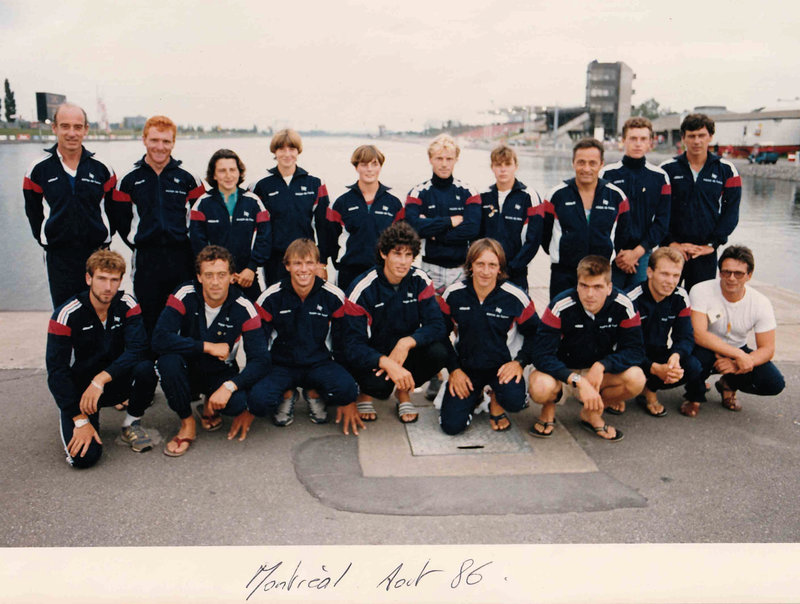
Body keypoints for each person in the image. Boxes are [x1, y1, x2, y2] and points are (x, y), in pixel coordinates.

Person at [152, 245, 270, 456]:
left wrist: (230, 386)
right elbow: (159, 339)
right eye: (209, 275)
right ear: (199, 277)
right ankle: (187, 422)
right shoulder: (184, 294)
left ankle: (211, 402)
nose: (215, 282)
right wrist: (205, 346)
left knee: (239, 403)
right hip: (188, 367)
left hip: (219, 371)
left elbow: (260, 360)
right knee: (167, 362)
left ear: (232, 277)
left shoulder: (244, 307)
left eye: (221, 275)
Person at [46, 250, 157, 468]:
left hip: (111, 380)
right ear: (89, 279)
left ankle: (131, 423)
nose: (108, 287)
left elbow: (137, 349)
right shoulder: (66, 314)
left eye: (114, 280)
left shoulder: (127, 303)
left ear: (120, 281)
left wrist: (101, 379)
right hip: (83, 393)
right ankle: (80, 419)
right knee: (84, 459)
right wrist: (79, 419)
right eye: (102, 279)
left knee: (146, 369)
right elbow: (56, 371)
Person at [248, 239, 362, 435]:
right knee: (257, 401)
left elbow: (343, 342)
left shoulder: (333, 296)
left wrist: (347, 396)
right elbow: (258, 345)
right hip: (282, 365)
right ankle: (287, 393)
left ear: (318, 265)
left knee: (348, 390)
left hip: (318, 364)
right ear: (287, 266)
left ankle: (313, 392)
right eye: (297, 263)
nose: (303, 269)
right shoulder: (270, 297)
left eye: (309, 263)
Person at [529, 255, 645, 442]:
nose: (590, 294)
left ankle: (591, 413)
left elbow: (635, 351)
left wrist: (602, 365)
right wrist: (577, 380)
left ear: (609, 287)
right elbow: (541, 354)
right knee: (540, 386)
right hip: (564, 373)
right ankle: (548, 406)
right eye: (584, 286)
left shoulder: (624, 306)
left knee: (637, 378)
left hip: (598, 374)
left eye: (597, 287)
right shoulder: (560, 304)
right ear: (577, 285)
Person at [342, 221, 448, 423]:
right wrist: (385, 362)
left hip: (403, 351)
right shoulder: (363, 288)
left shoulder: (420, 280)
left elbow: (437, 325)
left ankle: (403, 392)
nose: (403, 262)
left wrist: (406, 342)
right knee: (378, 387)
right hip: (374, 356)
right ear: (383, 253)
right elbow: (352, 345)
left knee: (439, 352)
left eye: (408, 255)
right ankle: (365, 393)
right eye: (397, 254)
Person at [404, 133, 481, 399]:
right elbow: (413, 226)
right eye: (439, 158)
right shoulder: (419, 191)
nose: (444, 163)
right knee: (433, 322)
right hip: (430, 267)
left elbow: (473, 227)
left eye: (449, 158)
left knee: (464, 322)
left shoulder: (468, 191)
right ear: (430, 159)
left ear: (456, 159)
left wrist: (434, 228)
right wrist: (452, 221)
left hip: (461, 268)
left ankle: (465, 373)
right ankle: (437, 374)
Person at [112, 115, 205, 335]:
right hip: (146, 259)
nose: (160, 147)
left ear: (173, 143)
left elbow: (200, 221)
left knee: (185, 316)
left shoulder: (189, 179)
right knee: (149, 317)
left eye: (166, 141)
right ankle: (152, 365)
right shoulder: (128, 180)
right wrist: (140, 240)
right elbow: (121, 222)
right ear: (144, 139)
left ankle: (181, 365)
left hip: (182, 258)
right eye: (154, 140)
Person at [438, 238, 539, 435]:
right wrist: (454, 370)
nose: (485, 271)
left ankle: (495, 399)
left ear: (500, 268)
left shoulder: (515, 297)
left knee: (515, 402)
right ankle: (474, 396)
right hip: (466, 370)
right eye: (480, 264)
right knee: (451, 427)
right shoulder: (453, 294)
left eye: (492, 265)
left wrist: (519, 362)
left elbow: (537, 334)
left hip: (502, 369)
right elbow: (440, 335)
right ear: (470, 266)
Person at [24, 103, 117, 308]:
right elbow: (33, 212)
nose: (72, 133)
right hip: (59, 257)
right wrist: (50, 238)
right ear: (54, 128)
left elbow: (115, 212)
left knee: (99, 314)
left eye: (77, 127)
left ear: (86, 129)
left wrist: (101, 236)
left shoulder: (102, 168)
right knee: (64, 315)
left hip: (97, 255)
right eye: (65, 126)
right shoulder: (39, 169)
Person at [684, 245, 784, 417]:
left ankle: (728, 384)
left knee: (774, 383)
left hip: (737, 348)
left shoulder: (760, 302)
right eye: (726, 272)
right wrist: (738, 355)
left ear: (749, 275)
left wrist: (741, 361)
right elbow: (698, 334)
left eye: (738, 273)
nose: (731, 278)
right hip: (707, 346)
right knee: (693, 363)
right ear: (719, 272)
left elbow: (768, 349)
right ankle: (694, 396)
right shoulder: (701, 290)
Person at [541, 138, 631, 301]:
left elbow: (622, 236)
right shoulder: (556, 195)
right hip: (564, 274)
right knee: (562, 321)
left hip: (601, 274)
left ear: (601, 164)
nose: (586, 168)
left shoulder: (616, 196)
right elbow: (545, 237)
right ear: (573, 163)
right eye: (581, 162)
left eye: (592, 163)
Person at [660, 113, 741, 292]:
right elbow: (658, 210)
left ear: (710, 137)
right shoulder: (667, 169)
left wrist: (711, 245)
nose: (697, 141)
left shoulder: (726, 170)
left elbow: (731, 212)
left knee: (699, 302)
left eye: (701, 135)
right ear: (683, 138)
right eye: (691, 136)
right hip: (671, 250)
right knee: (664, 299)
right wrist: (671, 243)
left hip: (704, 251)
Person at [626, 247, 703, 416]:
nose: (670, 281)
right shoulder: (631, 299)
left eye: (676, 275)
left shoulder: (680, 296)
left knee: (693, 366)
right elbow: (623, 346)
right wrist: (653, 368)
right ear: (650, 272)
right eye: (664, 274)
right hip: (630, 355)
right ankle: (634, 392)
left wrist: (675, 357)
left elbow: (685, 337)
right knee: (624, 362)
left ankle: (648, 388)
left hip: (657, 352)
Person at [248, 129, 331, 286]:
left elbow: (324, 226)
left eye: (291, 149)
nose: (287, 154)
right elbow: (254, 228)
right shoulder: (260, 185)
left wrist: (322, 262)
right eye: (282, 149)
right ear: (275, 151)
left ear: (298, 151)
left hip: (307, 258)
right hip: (275, 259)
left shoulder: (315, 183)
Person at [189, 149, 271, 301]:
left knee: (255, 322)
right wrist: (220, 274)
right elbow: (197, 244)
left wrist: (252, 268)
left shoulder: (253, 202)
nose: (228, 175)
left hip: (247, 278)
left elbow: (264, 238)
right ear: (214, 175)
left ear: (239, 172)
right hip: (214, 281)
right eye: (222, 171)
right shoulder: (203, 203)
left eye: (232, 170)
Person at [599, 117, 671, 289]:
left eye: (643, 139)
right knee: (609, 303)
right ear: (623, 141)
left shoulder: (660, 177)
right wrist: (619, 254)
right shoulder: (607, 174)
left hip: (642, 254)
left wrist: (637, 252)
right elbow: (601, 218)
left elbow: (662, 221)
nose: (638, 144)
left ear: (650, 143)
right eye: (633, 138)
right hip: (611, 254)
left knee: (637, 307)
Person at [326, 144, 404, 291]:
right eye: (364, 164)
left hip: (383, 272)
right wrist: (336, 264)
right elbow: (329, 238)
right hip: (349, 272)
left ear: (380, 167)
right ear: (356, 167)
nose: (369, 169)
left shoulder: (394, 203)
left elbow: (401, 241)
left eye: (374, 164)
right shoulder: (342, 202)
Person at [479, 144, 543, 292]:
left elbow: (533, 240)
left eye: (507, 164)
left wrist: (513, 267)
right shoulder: (483, 196)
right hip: (487, 272)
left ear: (516, 166)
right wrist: (484, 266)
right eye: (498, 165)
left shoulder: (530, 196)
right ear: (492, 167)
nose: (503, 169)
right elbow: (477, 236)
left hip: (516, 274)